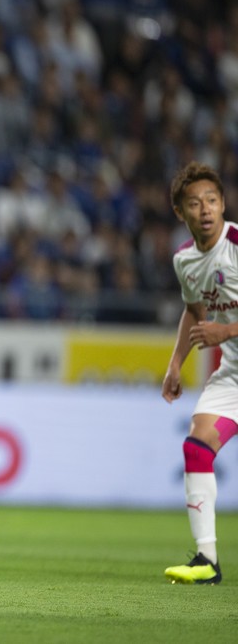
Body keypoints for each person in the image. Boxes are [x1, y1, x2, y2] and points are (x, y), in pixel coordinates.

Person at [162, 161, 238, 585]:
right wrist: (176, 364)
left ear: (224, 204)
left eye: (212, 200)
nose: (205, 209)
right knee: (196, 448)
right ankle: (207, 560)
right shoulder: (185, 261)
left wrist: (226, 329)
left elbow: (216, 323)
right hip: (235, 375)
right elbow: (194, 313)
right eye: (195, 203)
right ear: (181, 212)